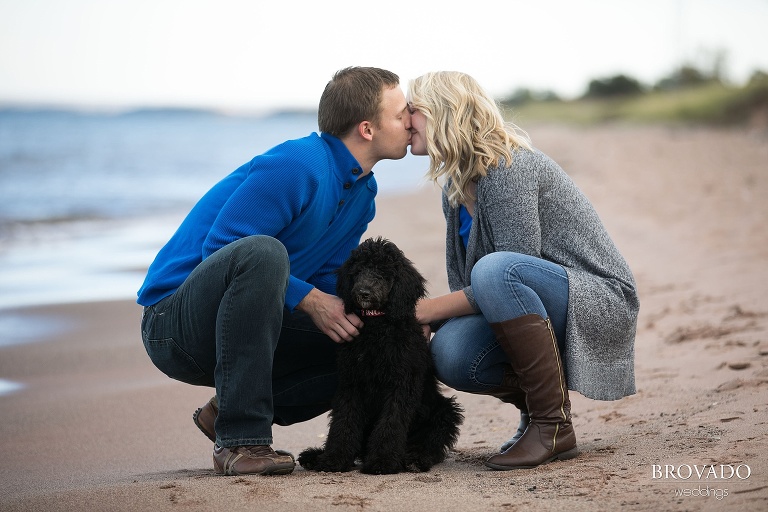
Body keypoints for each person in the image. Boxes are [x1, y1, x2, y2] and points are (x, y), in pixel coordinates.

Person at [137, 67, 412, 476]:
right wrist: (309, 299)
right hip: (175, 325)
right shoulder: (299, 163)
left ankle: (226, 411)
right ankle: (241, 440)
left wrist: (382, 320)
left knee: (370, 343)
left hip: (254, 322)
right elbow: (225, 249)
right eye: (401, 113)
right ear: (368, 128)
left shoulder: (363, 192)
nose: (410, 121)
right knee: (264, 252)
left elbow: (328, 274)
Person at [407, 71, 639, 470]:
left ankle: (553, 427)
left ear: (440, 113)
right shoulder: (455, 187)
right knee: (452, 353)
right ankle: (537, 410)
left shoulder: (508, 167)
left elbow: (510, 270)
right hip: (533, 298)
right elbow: (469, 285)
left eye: (413, 109)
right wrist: (437, 325)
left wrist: (425, 311)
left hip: (597, 298)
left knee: (496, 269)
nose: (406, 119)